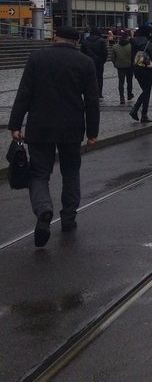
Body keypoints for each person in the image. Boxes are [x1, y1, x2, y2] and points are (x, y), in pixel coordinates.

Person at [7, 26, 100, 246]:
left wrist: (15, 124)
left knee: (38, 174)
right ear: (76, 42)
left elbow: (24, 92)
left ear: (56, 38)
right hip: (71, 127)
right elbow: (92, 100)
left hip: (40, 126)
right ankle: (68, 218)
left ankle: (44, 210)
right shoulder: (85, 62)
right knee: (70, 171)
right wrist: (92, 132)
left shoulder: (37, 58)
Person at [129, 25, 152, 123]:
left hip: (137, 69)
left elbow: (132, 56)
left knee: (145, 91)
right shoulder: (148, 42)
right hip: (147, 69)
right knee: (147, 91)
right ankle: (141, 113)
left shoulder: (133, 41)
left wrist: (133, 68)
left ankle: (138, 111)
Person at [80, 26, 108, 99]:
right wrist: (102, 61)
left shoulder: (85, 41)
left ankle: (89, 92)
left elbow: (82, 52)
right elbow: (105, 53)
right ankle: (99, 93)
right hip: (99, 63)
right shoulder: (101, 41)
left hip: (87, 62)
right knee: (99, 78)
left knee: (88, 78)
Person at [110, 31, 134, 104]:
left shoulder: (115, 46)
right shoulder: (131, 46)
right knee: (129, 82)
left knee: (121, 82)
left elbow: (112, 58)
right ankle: (129, 95)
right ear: (127, 37)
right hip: (129, 66)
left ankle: (122, 97)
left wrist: (116, 64)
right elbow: (133, 56)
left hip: (120, 66)